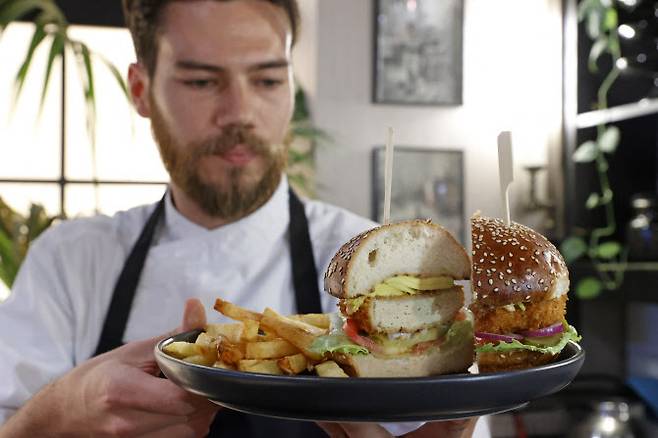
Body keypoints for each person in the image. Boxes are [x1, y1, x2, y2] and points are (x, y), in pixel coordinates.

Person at [0, 1, 489, 437]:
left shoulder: (366, 263)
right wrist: (63, 410)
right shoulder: (68, 261)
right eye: (202, 81)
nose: (240, 113)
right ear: (141, 89)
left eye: (268, 80)